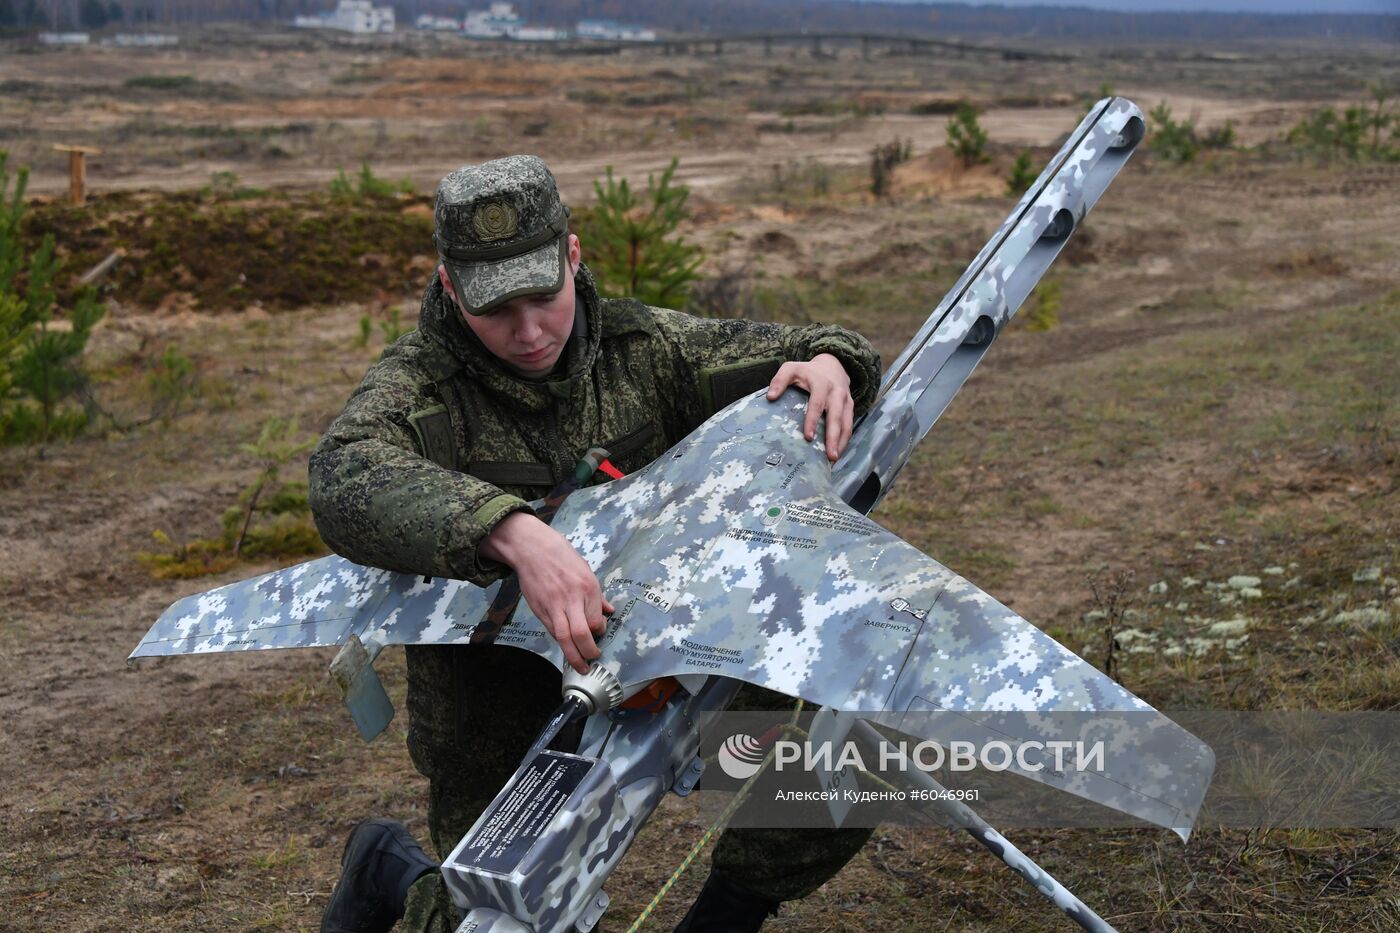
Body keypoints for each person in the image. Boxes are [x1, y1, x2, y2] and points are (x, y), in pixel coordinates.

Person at [309, 155, 882, 933]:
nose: (531, 330)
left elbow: (818, 346)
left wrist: (830, 363)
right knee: (498, 915)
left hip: (653, 670)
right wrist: (508, 531)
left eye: (545, 294)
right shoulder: (421, 387)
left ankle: (728, 916)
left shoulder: (642, 350)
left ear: (573, 255)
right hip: (497, 720)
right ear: (450, 286)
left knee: (859, 708)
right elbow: (342, 474)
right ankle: (390, 868)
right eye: (495, 308)